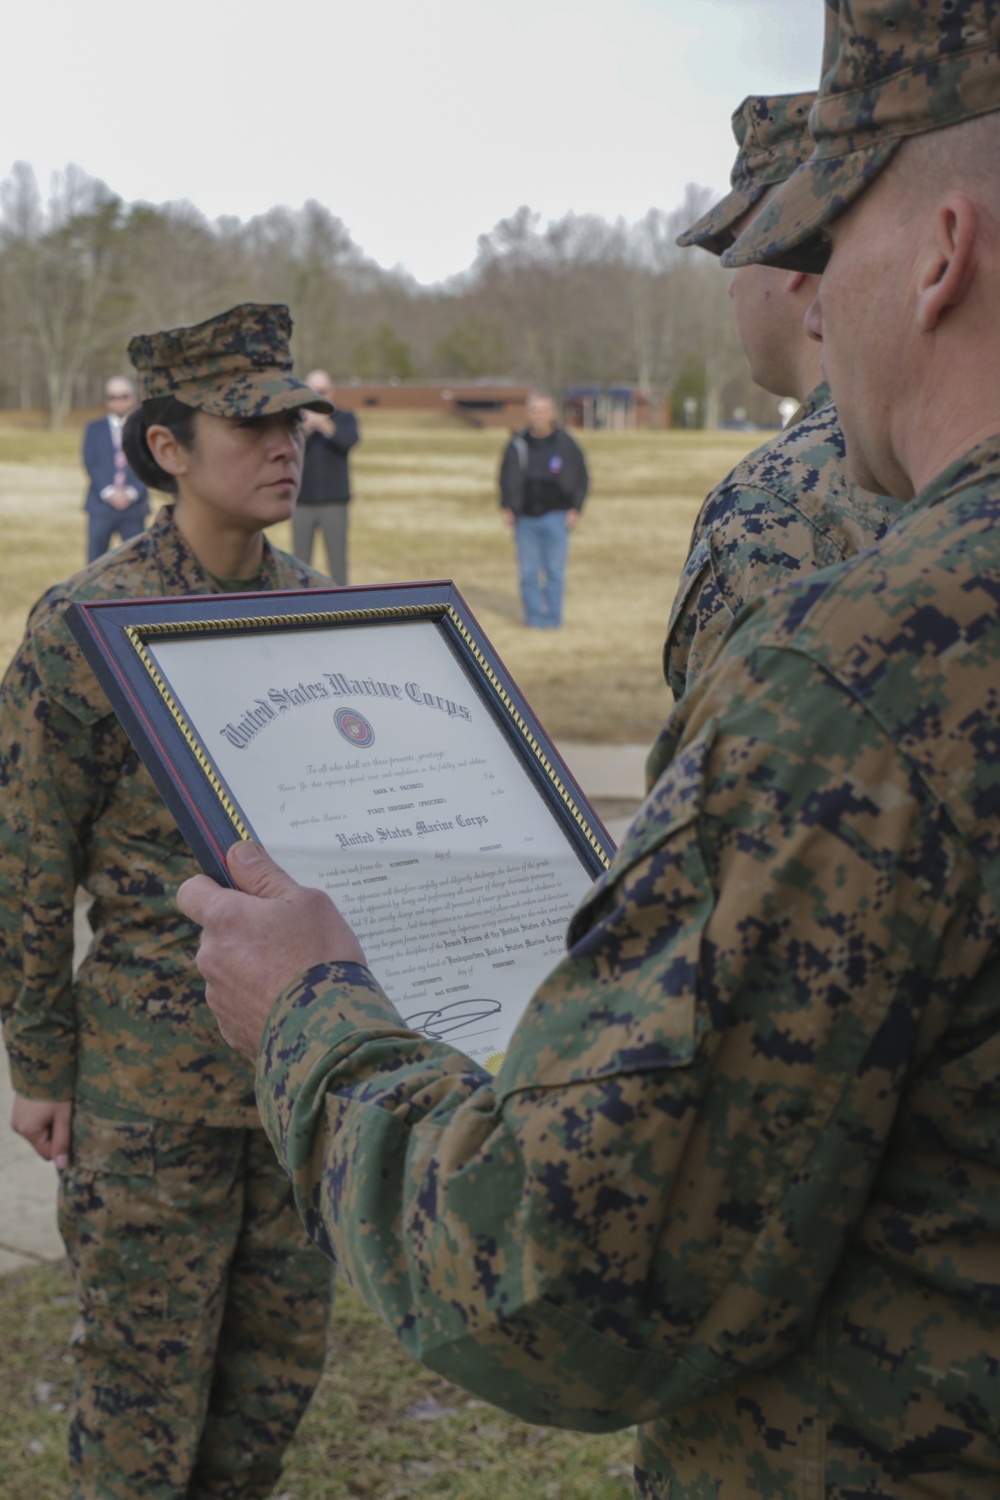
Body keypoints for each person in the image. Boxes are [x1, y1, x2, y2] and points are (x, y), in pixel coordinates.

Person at [178, 8, 1000, 1496]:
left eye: (833, 243)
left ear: (939, 251)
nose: (816, 299)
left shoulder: (870, 668)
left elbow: (551, 1270)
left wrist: (308, 1013)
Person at [0, 304, 336, 1500]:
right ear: (168, 450)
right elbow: (29, 857)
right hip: (148, 1092)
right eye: (251, 422)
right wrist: (40, 1060)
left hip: (298, 1079)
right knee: (142, 1415)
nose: (287, 440)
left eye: (293, 417)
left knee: (268, 1394)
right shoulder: (87, 623)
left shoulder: (319, 609)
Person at [666, 90, 901, 700]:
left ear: (790, 246)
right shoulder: (950, 432)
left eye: (738, 250)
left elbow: (729, 784)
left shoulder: (777, 503)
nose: (732, 288)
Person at [499, 392, 588, 627]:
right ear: (527, 413)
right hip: (525, 517)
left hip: (556, 515)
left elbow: (582, 476)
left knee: (554, 572)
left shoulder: (566, 443)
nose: (538, 415)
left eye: (542, 410)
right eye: (533, 410)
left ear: (552, 413)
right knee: (528, 572)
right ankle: (534, 618)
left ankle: (553, 619)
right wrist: (507, 506)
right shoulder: (517, 443)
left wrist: (575, 508)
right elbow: (505, 476)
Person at [291, 370, 360, 584]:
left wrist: (324, 424)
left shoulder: (345, 417)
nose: (318, 396)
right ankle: (300, 610)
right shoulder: (294, 421)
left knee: (337, 562)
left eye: (322, 391)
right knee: (299, 565)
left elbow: (348, 441)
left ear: (331, 392)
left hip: (334, 502)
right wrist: (303, 430)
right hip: (301, 502)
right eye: (312, 391)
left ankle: (342, 609)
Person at [81, 376, 150, 562]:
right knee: (95, 564)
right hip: (101, 506)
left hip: (134, 508)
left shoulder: (146, 429)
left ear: (134, 397)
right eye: (112, 397)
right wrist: (110, 492)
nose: (118, 401)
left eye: (123, 396)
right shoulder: (93, 429)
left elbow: (151, 462)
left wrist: (131, 492)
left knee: (139, 562)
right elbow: (91, 463)